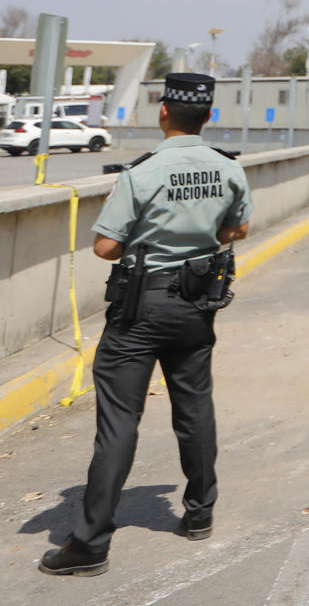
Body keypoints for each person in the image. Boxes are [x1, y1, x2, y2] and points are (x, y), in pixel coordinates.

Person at [41, 73, 253, 578]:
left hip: (141, 306)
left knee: (118, 423)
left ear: (164, 112)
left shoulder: (143, 172)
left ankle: (90, 543)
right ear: (208, 116)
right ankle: (200, 514)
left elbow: (104, 247)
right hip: (197, 304)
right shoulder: (227, 168)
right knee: (194, 406)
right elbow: (237, 228)